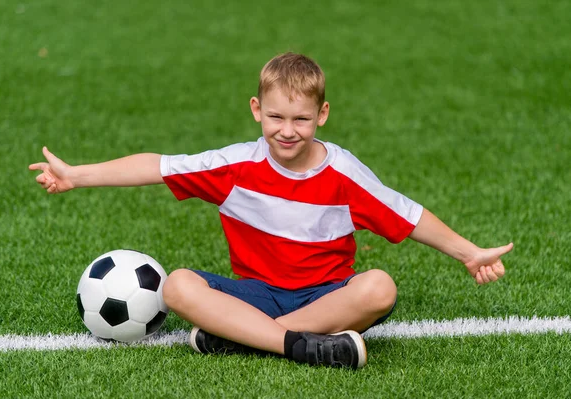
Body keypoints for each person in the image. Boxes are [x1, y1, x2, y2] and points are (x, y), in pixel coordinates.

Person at [29, 52, 512, 369]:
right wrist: (78, 175)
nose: (288, 130)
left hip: (327, 298)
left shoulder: (344, 173)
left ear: (321, 115)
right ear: (257, 109)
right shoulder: (234, 165)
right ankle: (300, 346)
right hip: (256, 293)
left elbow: (408, 215)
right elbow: (157, 166)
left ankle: (245, 338)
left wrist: (468, 252)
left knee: (380, 287)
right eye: (276, 117)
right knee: (177, 286)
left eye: (301, 118)